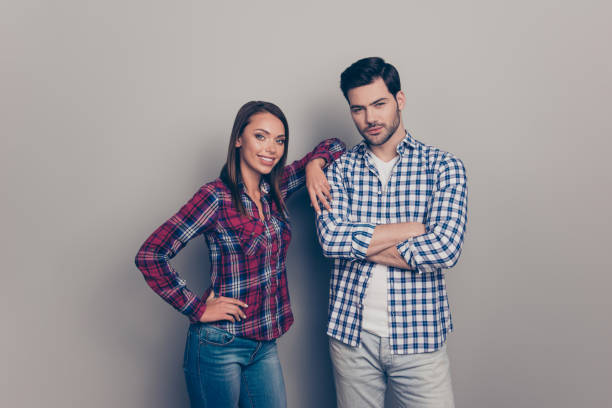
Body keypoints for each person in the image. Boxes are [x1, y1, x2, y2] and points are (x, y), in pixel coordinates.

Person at [135, 100, 345, 408]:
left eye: (279, 140)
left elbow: (335, 145)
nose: (271, 148)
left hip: (265, 344)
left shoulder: (276, 190)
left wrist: (315, 165)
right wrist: (196, 308)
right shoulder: (215, 198)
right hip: (219, 344)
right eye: (260, 136)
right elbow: (151, 255)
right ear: (238, 139)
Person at [316, 57, 468, 407]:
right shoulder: (339, 170)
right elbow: (330, 240)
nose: (370, 118)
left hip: (421, 337)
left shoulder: (444, 166)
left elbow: (444, 249)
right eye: (358, 109)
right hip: (351, 336)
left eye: (379, 104)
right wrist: (410, 230)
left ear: (399, 99)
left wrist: (357, 242)